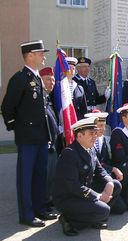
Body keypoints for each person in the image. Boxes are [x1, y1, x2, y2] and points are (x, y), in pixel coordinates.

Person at [1, 40, 57, 227]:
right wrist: (17, 128)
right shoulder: (19, 79)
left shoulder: (37, 79)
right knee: (26, 177)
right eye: (40, 53)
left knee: (40, 175)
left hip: (41, 137)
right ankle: (26, 214)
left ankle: (40, 208)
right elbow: (7, 107)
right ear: (30, 55)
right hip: (28, 138)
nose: (43, 56)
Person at [53, 117, 122, 236]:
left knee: (116, 185)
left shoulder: (90, 149)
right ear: (79, 136)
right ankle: (70, 221)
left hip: (83, 191)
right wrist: (97, 196)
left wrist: (109, 182)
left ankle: (92, 218)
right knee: (104, 211)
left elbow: (100, 170)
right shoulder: (69, 154)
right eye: (91, 133)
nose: (95, 136)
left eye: (95, 133)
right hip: (69, 198)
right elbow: (73, 186)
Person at [84, 109, 127, 214]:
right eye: (99, 126)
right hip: (90, 182)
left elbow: (106, 160)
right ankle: (96, 212)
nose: (102, 129)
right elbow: (95, 164)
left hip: (102, 177)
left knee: (121, 208)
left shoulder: (102, 139)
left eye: (104, 125)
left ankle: (99, 209)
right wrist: (112, 169)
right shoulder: (86, 142)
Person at [39, 67, 59, 211]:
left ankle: (48, 199)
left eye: (52, 80)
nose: (51, 83)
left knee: (52, 174)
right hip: (45, 144)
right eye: (48, 79)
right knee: (44, 176)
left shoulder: (47, 97)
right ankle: (43, 203)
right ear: (40, 80)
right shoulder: (39, 97)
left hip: (53, 143)